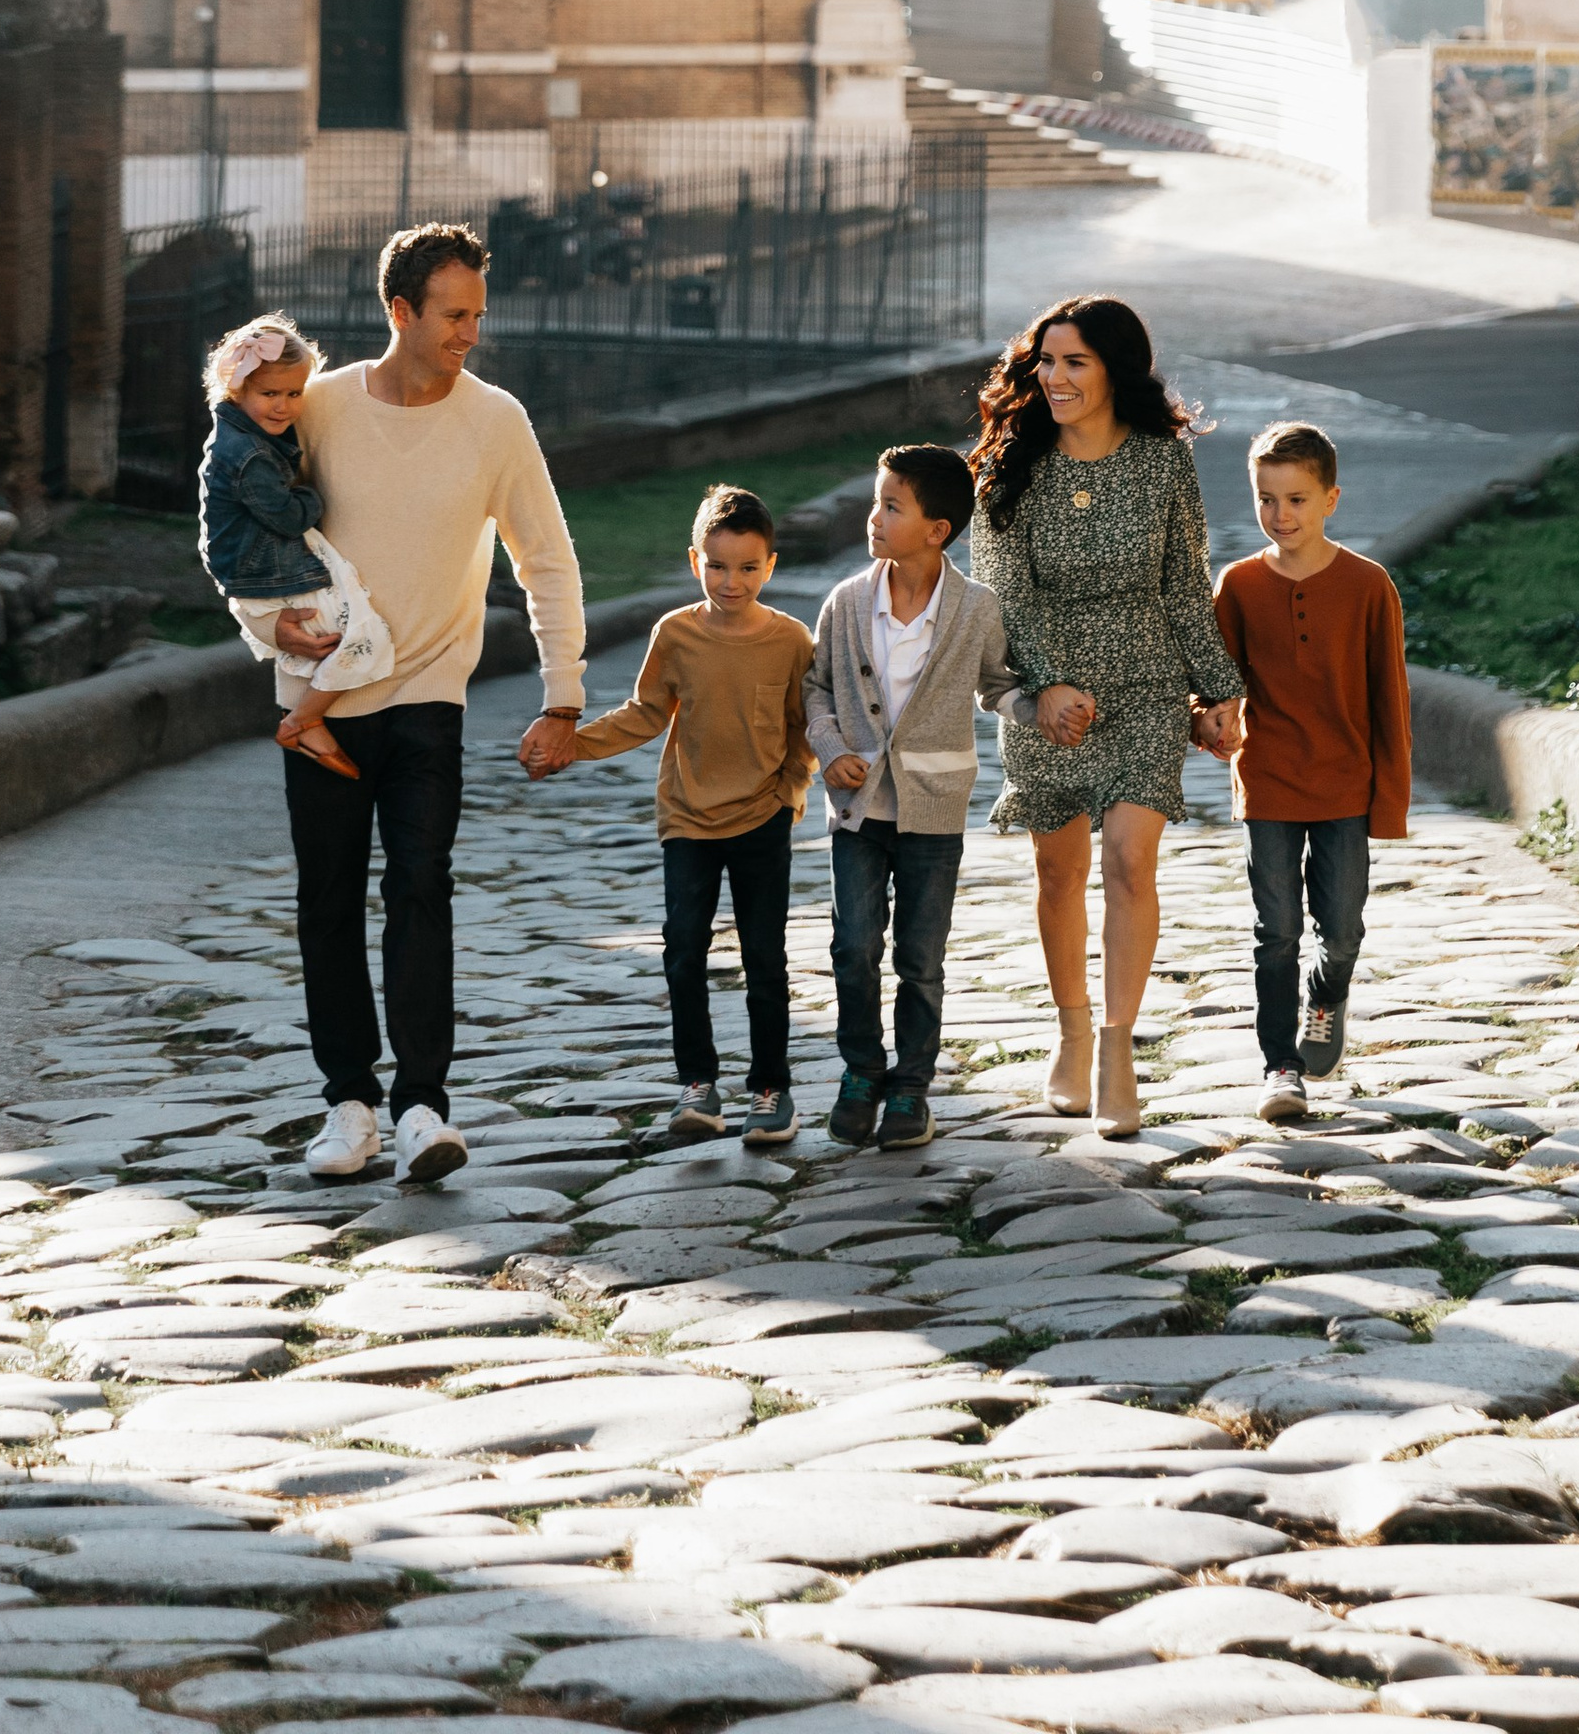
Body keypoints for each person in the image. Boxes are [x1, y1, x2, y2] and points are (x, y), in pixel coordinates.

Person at [283, 220, 587, 1192]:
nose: (469, 333)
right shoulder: (319, 409)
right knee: (326, 905)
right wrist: (270, 629)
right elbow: (246, 530)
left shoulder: (495, 420)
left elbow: (544, 557)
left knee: (420, 889)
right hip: (321, 710)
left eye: (477, 316)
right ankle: (349, 1105)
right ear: (399, 311)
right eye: (453, 316)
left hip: (427, 702)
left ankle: (421, 1108)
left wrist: (563, 693)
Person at [970, 295, 1244, 1137]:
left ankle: (1119, 1050)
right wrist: (1047, 686)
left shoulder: (1162, 461)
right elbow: (1005, 593)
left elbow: (1183, 581)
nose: (1053, 377)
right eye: (1046, 361)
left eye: (1074, 362)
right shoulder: (1011, 466)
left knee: (1130, 862)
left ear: (1114, 370)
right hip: (1050, 698)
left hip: (1146, 687)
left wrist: (1217, 689)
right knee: (1058, 874)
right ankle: (1072, 1031)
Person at [538, 481, 813, 1150]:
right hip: (688, 819)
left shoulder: (790, 641)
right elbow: (646, 712)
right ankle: (698, 1084)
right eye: (717, 565)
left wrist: (788, 792)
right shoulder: (677, 633)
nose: (732, 579)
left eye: (748, 567)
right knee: (683, 950)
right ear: (696, 562)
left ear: (770, 566)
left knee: (765, 957)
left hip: (762, 820)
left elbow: (803, 727)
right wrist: (575, 742)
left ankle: (771, 1090)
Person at [804, 442, 1030, 1151]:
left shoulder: (975, 608)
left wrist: (1042, 707)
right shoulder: (846, 603)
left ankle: (911, 1087)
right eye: (877, 502)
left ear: (937, 529)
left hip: (934, 811)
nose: (874, 517)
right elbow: (815, 689)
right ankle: (862, 1072)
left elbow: (999, 685)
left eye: (891, 506)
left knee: (920, 958)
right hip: (857, 810)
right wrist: (833, 749)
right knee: (852, 945)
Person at [1212, 419, 1410, 1123]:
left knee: (1343, 930)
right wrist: (1209, 721)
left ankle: (1326, 1002)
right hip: (1266, 781)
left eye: (1296, 499)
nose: (1280, 514)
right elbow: (1216, 685)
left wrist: (1389, 804)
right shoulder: (1235, 585)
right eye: (1267, 499)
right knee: (1276, 932)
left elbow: (1390, 698)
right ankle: (1280, 1066)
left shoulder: (1367, 585)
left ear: (1331, 499)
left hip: (1344, 786)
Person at [197, 313, 395, 781]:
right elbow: (285, 515)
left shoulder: (244, 436)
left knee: (335, 640)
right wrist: (314, 494)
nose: (283, 407)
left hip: (259, 566)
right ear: (236, 390)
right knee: (365, 642)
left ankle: (307, 718)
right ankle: (303, 721)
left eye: (293, 393)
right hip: (266, 569)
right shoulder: (247, 457)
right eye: (269, 394)